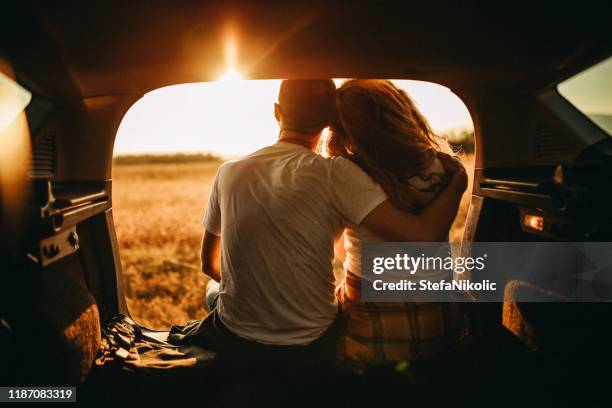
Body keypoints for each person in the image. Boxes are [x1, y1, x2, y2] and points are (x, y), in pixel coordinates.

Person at [199, 79, 467, 367]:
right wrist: (458, 180)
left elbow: (209, 265)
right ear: (329, 120)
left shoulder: (228, 171)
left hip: (238, 336)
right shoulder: (337, 173)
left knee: (213, 291)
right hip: (316, 339)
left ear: (278, 112)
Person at [328, 79, 465, 363]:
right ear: (400, 112)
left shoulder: (347, 170)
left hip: (375, 326)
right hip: (439, 322)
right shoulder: (441, 165)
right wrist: (458, 183)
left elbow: (424, 239)